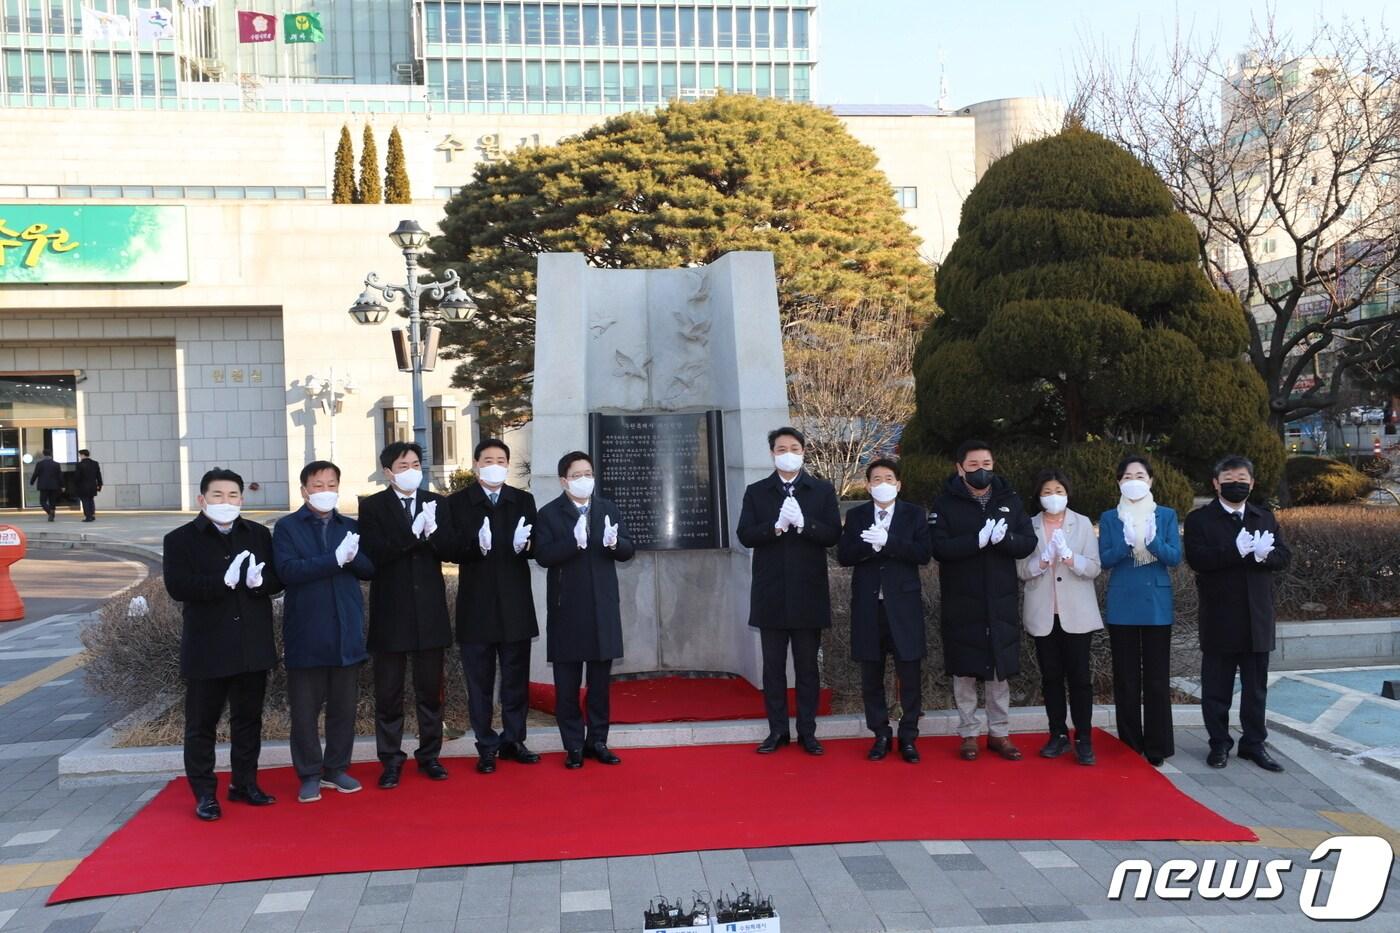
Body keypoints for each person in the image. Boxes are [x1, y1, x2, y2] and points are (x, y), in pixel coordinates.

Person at [163, 468, 283, 821]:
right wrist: (222, 582)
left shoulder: (258, 534)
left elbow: (276, 579)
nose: (225, 502)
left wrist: (260, 583)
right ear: (202, 499)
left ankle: (244, 783)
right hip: (208, 647)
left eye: (233, 495)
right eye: (217, 495)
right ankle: (204, 793)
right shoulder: (180, 539)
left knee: (248, 720)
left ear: (242, 499)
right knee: (202, 724)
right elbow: (178, 587)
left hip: (251, 644)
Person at [272, 460, 375, 803]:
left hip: (346, 630)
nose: (325, 491)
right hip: (307, 631)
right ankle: (309, 773)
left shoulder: (350, 525)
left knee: (343, 709)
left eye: (331, 484)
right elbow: (288, 571)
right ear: (304, 490)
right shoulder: (287, 527)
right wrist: (334, 559)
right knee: (304, 711)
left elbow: (368, 568)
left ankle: (336, 769)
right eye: (318, 485)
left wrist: (352, 556)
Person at [929, 439, 1037, 761]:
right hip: (961, 598)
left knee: (998, 670)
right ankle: (968, 733)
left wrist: (1006, 540)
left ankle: (999, 732)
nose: (981, 471)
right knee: (964, 671)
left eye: (986, 465)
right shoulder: (945, 502)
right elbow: (939, 548)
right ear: (960, 468)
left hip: (1000, 598)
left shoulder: (1010, 499)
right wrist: (974, 542)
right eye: (973, 465)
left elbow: (1027, 542)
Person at [736, 427, 842, 756]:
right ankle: (777, 730)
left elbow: (832, 535)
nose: (788, 453)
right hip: (771, 593)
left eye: (794, 447)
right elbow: (745, 534)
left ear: (804, 451)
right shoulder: (757, 492)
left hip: (808, 592)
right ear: (772, 453)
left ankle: (807, 732)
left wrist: (804, 524)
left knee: (808, 667)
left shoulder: (821, 490)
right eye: (781, 448)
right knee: (773, 667)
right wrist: (776, 527)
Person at [1184, 455, 1292, 772]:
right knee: (1216, 688)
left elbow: (1284, 556)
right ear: (1216, 483)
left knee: (1255, 689)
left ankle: (1253, 744)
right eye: (1229, 477)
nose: (1237, 482)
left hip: (1257, 616)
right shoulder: (1200, 520)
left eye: (1243, 478)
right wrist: (1235, 551)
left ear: (1253, 483)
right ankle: (1219, 744)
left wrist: (1264, 555)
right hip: (1220, 616)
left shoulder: (1263, 517)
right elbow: (1197, 558)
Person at [357, 442, 455, 789]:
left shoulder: (437, 503)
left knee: (431, 692)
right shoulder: (372, 507)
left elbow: (451, 550)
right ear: (388, 472)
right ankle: (390, 760)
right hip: (391, 613)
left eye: (416, 463)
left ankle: (430, 756)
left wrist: (434, 535)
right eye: (403, 465)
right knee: (389, 694)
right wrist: (411, 537)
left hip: (429, 612)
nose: (411, 470)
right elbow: (374, 552)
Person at [533, 451, 635, 769]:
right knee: (567, 686)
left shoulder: (607, 509)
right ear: (564, 480)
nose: (584, 479)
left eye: (588, 473)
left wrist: (614, 543)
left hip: (602, 608)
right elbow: (542, 556)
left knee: (600, 684)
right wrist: (572, 544)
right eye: (577, 475)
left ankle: (598, 741)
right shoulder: (550, 514)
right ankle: (574, 745)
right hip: (568, 610)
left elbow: (628, 550)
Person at [446, 438, 541, 775]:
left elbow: (537, 546)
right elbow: (447, 548)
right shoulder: (458, 503)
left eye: (501, 459)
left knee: (516, 679)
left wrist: (526, 545)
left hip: (515, 604)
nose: (495, 464)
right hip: (477, 606)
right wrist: (475, 546)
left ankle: (514, 740)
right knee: (480, 684)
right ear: (475, 465)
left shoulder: (523, 500)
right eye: (488, 459)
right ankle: (486, 745)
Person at [836, 458, 931, 763]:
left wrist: (890, 542)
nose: (882, 484)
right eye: (876, 479)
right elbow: (844, 556)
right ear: (867, 485)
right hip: (868, 606)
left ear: (899, 484)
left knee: (909, 674)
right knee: (871, 675)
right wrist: (869, 547)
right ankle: (880, 734)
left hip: (903, 606)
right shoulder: (856, 515)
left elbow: (922, 554)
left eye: (888, 479)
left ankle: (908, 736)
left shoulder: (914, 514)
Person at [1097, 454, 1182, 767]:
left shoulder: (1167, 515)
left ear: (1151, 481)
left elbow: (1174, 557)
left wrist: (1152, 541)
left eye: (1140, 476)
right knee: (1126, 678)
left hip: (1157, 605)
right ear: (1120, 482)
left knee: (1157, 679)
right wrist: (1126, 543)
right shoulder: (1109, 517)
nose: (1134, 481)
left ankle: (1158, 745)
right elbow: (1105, 559)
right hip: (1123, 603)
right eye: (1128, 476)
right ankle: (1130, 743)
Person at [1016, 469, 1103, 765]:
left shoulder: (1081, 524)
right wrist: (1041, 561)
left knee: (1079, 679)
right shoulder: (1029, 526)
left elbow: (1093, 567)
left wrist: (1069, 557)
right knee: (1051, 678)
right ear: (1038, 495)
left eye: (1059, 490)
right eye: (1047, 491)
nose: (1054, 496)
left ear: (1067, 492)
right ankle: (1058, 734)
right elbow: (1021, 571)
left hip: (1077, 614)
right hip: (1044, 613)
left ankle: (1084, 737)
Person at [30, 449, 62, 521]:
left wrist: (32, 481)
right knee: (52, 501)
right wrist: (62, 485)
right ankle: (52, 513)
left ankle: (49, 512)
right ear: (51, 454)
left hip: (43, 485)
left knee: (42, 501)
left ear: (43, 455)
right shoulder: (56, 464)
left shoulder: (40, 464)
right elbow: (60, 475)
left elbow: (36, 474)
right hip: (54, 485)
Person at [75, 449, 103, 522]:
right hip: (93, 486)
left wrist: (76, 485)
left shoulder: (79, 465)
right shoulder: (95, 463)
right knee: (91, 500)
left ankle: (88, 516)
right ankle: (92, 514)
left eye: (80, 455)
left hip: (83, 486)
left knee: (85, 501)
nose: (79, 456)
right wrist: (100, 484)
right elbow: (98, 475)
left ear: (83, 455)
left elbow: (77, 477)